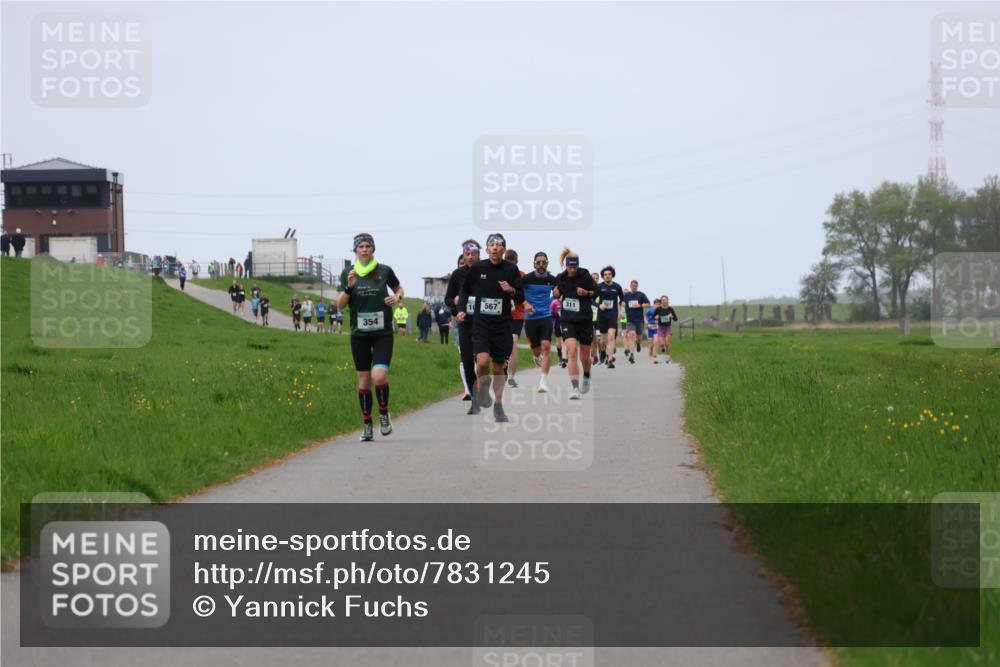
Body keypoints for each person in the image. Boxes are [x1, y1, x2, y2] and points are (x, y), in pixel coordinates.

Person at [338, 232, 404, 441]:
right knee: (364, 381)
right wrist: (349, 287)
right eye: (361, 247)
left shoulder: (384, 270)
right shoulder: (348, 273)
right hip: (359, 335)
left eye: (368, 246)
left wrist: (397, 297)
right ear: (355, 251)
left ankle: (383, 413)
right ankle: (367, 424)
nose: (364, 249)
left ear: (373, 249)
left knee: (379, 376)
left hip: (382, 333)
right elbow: (340, 305)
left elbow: (398, 288)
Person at [457, 233, 523, 422]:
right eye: (491, 245)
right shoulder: (478, 267)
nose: (495, 247)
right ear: (487, 250)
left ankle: (499, 406)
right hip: (481, 323)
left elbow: (520, 296)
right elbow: (465, 290)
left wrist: (511, 290)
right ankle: (483, 388)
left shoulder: (511, 269)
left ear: (504, 249)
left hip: (502, 324)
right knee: (483, 362)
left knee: (498, 366)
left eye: (498, 245)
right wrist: (461, 309)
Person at [553, 248, 596, 400]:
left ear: (578, 265)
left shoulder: (585, 275)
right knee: (571, 351)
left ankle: (587, 375)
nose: (572, 269)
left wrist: (587, 293)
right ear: (566, 265)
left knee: (585, 356)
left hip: (584, 319)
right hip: (568, 319)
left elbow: (596, 293)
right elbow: (556, 292)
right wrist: (555, 293)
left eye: (574, 266)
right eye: (569, 266)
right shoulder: (561, 277)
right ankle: (575, 387)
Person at [446, 242, 481, 410]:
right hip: (465, 323)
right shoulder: (457, 275)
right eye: (468, 254)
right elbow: (448, 299)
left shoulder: (486, 271)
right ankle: (474, 397)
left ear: (479, 255)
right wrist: (455, 304)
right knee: (467, 362)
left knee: (481, 360)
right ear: (464, 255)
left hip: (484, 323)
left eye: (474, 253)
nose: (471, 256)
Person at [523, 251, 559, 393]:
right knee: (536, 350)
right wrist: (526, 303)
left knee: (546, 346)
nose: (541, 265)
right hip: (530, 318)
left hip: (545, 316)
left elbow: (559, 292)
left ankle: (543, 382)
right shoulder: (527, 279)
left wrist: (558, 293)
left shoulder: (552, 279)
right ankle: (536, 356)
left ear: (547, 263)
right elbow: (518, 293)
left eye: (544, 262)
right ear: (534, 264)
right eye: (538, 262)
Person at [503, 249, 526, 388]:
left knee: (513, 344)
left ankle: (511, 377)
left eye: (513, 260)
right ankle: (503, 371)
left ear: (516, 261)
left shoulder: (522, 275)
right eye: (508, 260)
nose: (510, 262)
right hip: (501, 315)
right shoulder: (499, 274)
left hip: (516, 315)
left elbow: (524, 295)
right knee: (502, 347)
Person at [595, 266, 625, 368]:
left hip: (613, 314)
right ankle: (603, 351)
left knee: (611, 336)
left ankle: (610, 359)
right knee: (603, 341)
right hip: (602, 316)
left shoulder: (617, 287)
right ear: (603, 277)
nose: (607, 276)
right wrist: (599, 305)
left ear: (612, 275)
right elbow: (591, 300)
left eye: (609, 274)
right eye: (605, 275)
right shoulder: (599, 287)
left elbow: (622, 299)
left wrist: (620, 311)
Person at [623, 280, 651, 362]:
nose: (634, 287)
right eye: (632, 286)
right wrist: (620, 312)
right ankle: (632, 354)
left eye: (635, 286)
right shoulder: (626, 295)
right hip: (630, 320)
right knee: (631, 335)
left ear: (637, 286)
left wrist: (640, 305)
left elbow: (649, 304)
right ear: (630, 286)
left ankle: (638, 343)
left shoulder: (641, 295)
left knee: (639, 337)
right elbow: (620, 303)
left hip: (639, 320)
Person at [654, 296, 679, 363]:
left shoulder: (670, 309)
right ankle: (662, 347)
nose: (664, 301)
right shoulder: (658, 309)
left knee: (667, 344)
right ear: (661, 301)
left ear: (668, 301)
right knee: (662, 344)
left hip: (668, 327)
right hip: (660, 328)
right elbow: (654, 316)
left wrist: (672, 316)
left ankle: (668, 357)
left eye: (665, 300)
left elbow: (676, 319)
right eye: (663, 300)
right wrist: (656, 317)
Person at [551, 296, 566, 368]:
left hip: (566, 324)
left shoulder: (566, 301)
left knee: (564, 341)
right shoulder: (554, 302)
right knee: (559, 341)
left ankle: (564, 358)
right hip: (557, 324)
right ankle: (560, 356)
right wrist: (557, 313)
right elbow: (551, 314)